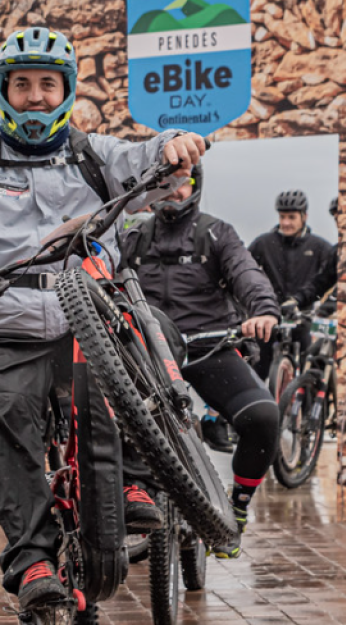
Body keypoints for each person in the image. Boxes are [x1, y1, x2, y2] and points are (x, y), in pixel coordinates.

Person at [0, 26, 207, 613]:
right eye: (20, 84)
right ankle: (32, 561)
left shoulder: (92, 153)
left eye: (47, 85)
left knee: (146, 359)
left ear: (67, 91)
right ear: (2, 90)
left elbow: (145, 163)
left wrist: (172, 144)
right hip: (3, 322)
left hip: (90, 313)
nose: (34, 97)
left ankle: (136, 482)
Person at [119, 164, 281, 559]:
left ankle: (238, 506)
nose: (174, 190)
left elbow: (246, 272)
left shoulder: (216, 233)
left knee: (262, 417)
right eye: (165, 183)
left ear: (196, 184)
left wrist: (263, 310)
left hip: (210, 346)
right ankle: (127, 500)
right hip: (148, 352)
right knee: (106, 419)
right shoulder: (133, 236)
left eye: (182, 182)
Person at [247, 190, 333, 379]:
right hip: (270, 315)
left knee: (308, 370)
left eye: (292, 217)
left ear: (304, 217)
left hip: (302, 317)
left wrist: (324, 308)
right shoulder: (263, 243)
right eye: (282, 216)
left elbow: (332, 279)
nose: (286, 222)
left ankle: (306, 403)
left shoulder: (319, 247)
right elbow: (243, 272)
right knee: (258, 371)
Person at [290, 196, 339, 309]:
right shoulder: (338, 252)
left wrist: (334, 298)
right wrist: (297, 300)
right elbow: (320, 283)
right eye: (337, 219)